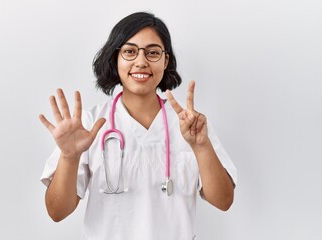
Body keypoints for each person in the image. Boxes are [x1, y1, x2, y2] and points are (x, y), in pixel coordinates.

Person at [40, 12, 237, 240]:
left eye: (152, 52)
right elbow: (57, 212)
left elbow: (223, 202)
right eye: (130, 51)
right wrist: (69, 157)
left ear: (165, 60)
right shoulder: (89, 126)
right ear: (115, 58)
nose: (141, 61)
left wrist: (202, 147)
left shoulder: (191, 125)